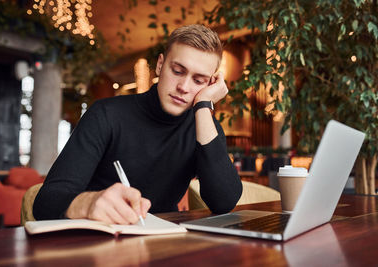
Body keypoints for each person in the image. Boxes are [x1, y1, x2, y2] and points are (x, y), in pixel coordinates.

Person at [33, 24, 242, 225]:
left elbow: (223, 202)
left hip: (164, 243)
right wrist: (89, 204)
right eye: (177, 71)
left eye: (199, 81)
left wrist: (204, 105)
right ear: (160, 65)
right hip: (98, 241)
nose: (183, 87)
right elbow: (46, 202)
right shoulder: (106, 114)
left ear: (211, 84)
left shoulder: (204, 126)